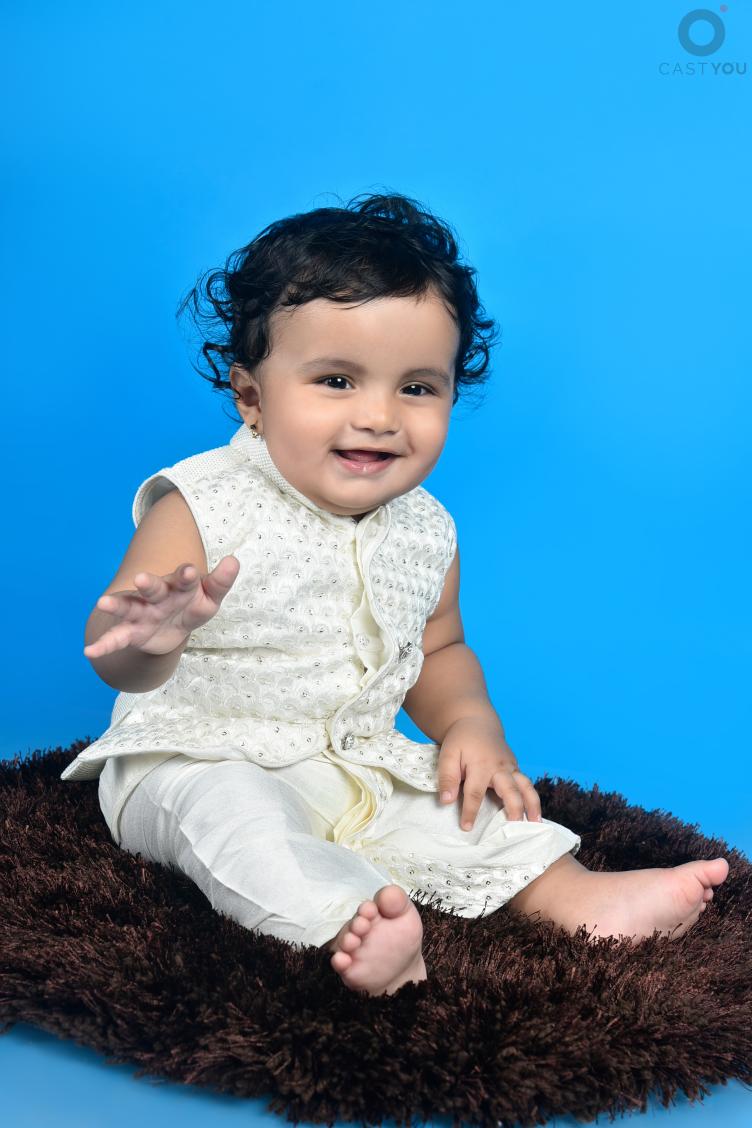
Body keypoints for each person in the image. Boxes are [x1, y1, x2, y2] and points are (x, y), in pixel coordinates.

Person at [61, 191, 729, 997]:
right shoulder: (203, 503)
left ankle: (579, 897)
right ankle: (347, 928)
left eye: (416, 388)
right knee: (241, 828)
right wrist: (151, 640)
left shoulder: (426, 528)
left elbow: (438, 649)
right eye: (337, 380)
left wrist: (470, 724)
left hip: (353, 761)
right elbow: (115, 653)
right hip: (194, 757)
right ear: (252, 397)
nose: (379, 416)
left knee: (464, 810)